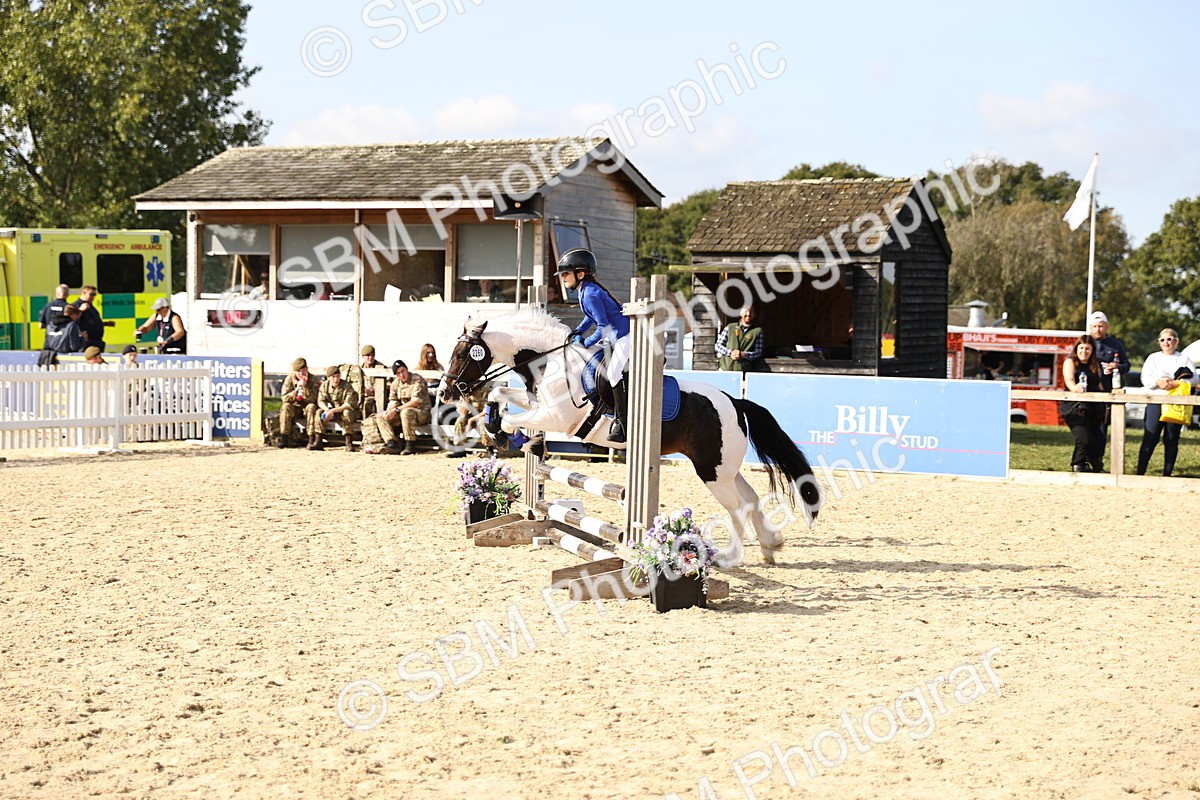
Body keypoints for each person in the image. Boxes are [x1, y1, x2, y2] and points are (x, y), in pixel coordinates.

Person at [556, 248, 630, 443]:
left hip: (626, 336)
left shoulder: (590, 293)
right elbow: (591, 318)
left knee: (613, 373)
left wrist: (586, 343)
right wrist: (578, 331)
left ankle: (622, 423)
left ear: (580, 274)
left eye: (565, 274)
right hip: (615, 335)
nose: (562, 278)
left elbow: (603, 327)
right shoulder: (585, 290)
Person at [1136, 329, 1198, 477]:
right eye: (1163, 340)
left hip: (1175, 402)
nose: (1166, 343)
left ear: (1176, 341)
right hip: (1156, 401)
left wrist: (1176, 383)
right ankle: (1140, 472)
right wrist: (1158, 382)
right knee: (1150, 437)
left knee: (1171, 438)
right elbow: (1145, 378)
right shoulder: (1153, 358)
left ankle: (1167, 474)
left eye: (1170, 339)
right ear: (1159, 342)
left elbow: (1195, 379)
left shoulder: (1183, 358)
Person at [1060, 335, 1106, 473]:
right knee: (1085, 439)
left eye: (1087, 348)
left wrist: (1105, 406)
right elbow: (1069, 380)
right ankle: (1097, 466)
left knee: (1091, 438)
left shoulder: (1095, 364)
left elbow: (1099, 385)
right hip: (1074, 407)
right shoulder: (1070, 362)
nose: (1084, 351)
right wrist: (1075, 388)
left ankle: (1078, 466)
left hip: (1093, 408)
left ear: (1092, 350)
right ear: (1076, 348)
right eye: (1081, 348)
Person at [381, 359, 432, 455]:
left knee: (406, 412)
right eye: (398, 373)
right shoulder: (395, 383)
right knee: (381, 416)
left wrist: (396, 410)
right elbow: (393, 401)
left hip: (422, 413)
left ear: (407, 369)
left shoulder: (417, 380)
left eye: (403, 371)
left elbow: (415, 402)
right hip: (403, 413)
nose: (402, 375)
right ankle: (392, 443)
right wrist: (389, 412)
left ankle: (410, 444)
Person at [311, 365, 359, 451]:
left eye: (337, 376)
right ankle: (318, 441)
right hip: (331, 411)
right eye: (333, 377)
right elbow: (320, 401)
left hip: (344, 411)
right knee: (319, 412)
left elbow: (347, 405)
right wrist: (326, 410)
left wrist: (332, 411)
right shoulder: (324, 386)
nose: (336, 379)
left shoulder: (347, 386)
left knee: (347, 413)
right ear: (328, 377)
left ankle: (349, 443)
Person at [278, 357, 321, 449]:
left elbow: (315, 399)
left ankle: (311, 438)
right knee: (286, 407)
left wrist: (305, 388)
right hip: (295, 407)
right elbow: (284, 398)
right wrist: (296, 390)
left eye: (303, 371)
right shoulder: (289, 379)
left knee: (311, 407)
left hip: (307, 407)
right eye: (298, 372)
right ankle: (284, 438)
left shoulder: (313, 380)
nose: (301, 374)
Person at [716, 305, 765, 373]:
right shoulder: (730, 327)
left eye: (751, 312)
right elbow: (718, 345)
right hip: (724, 370)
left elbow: (758, 352)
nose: (748, 314)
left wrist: (744, 355)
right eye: (746, 311)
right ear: (740, 313)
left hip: (743, 372)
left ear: (754, 315)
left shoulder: (758, 331)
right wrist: (730, 353)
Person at [71, 285, 105, 352]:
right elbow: (71, 321)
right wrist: (80, 334)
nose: (93, 297)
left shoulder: (90, 306)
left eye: (95, 295)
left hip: (97, 341)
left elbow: (91, 321)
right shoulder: (76, 305)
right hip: (86, 342)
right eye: (91, 294)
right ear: (84, 292)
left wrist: (104, 323)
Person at [359, 344, 387, 417]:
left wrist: (374, 390)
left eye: (372, 355)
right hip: (364, 397)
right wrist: (363, 391)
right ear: (363, 356)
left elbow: (389, 385)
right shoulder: (359, 369)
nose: (370, 357)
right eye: (368, 355)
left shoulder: (381, 368)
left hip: (380, 397)